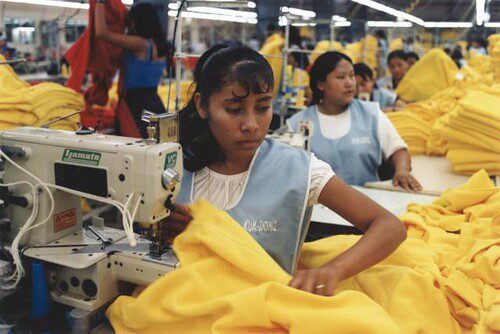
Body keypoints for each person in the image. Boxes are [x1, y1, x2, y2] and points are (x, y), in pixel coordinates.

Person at [168, 45, 407, 297]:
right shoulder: (173, 164)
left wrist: (332, 271)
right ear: (202, 106)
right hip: (186, 301)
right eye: (234, 109)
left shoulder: (299, 169)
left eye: (262, 108)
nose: (251, 125)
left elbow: (390, 226)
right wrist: (162, 229)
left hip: (265, 311)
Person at [287, 51, 421, 191]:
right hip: (317, 208)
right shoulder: (299, 123)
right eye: (340, 77)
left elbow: (398, 150)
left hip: (367, 203)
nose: (349, 83)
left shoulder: (371, 114)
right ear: (321, 84)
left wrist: (402, 171)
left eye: (351, 76)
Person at [95, 0, 167, 138]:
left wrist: (100, 3)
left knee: (135, 143)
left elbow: (102, 33)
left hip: (135, 104)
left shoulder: (139, 44)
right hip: (154, 101)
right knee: (156, 142)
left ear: (138, 22)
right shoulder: (160, 45)